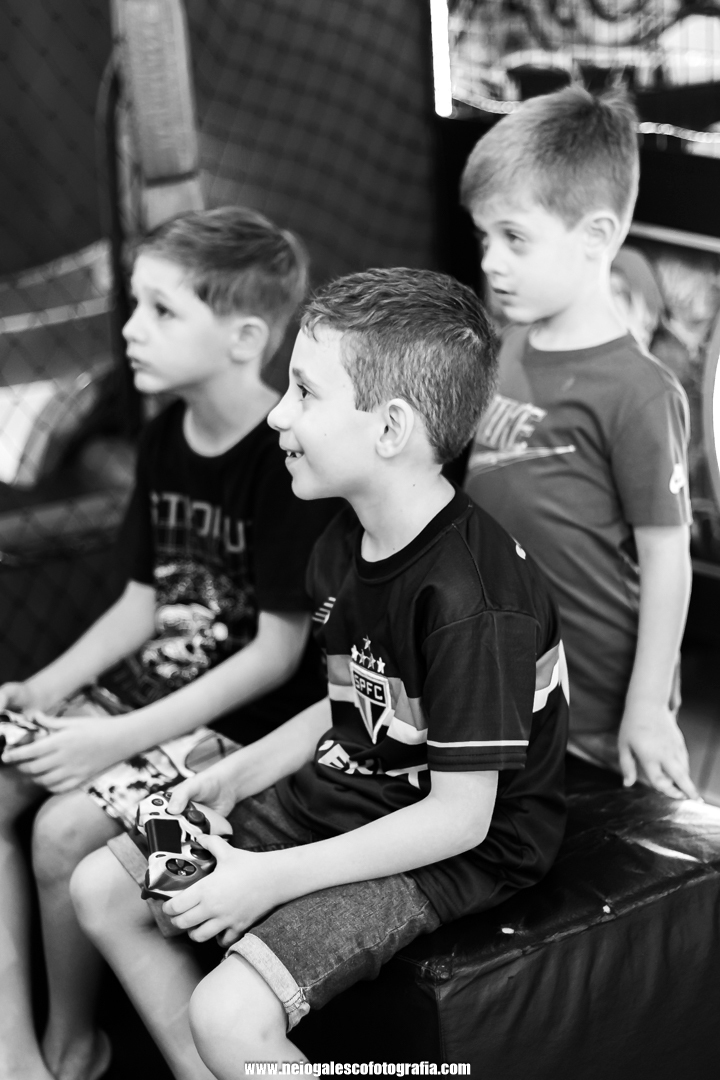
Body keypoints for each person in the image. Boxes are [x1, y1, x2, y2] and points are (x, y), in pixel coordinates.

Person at [70, 267, 569, 1079]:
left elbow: (462, 820)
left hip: (455, 847)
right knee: (103, 889)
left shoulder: (471, 601)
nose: (278, 414)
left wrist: (267, 877)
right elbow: (352, 707)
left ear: (390, 428)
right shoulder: (340, 542)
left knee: (228, 1017)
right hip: (359, 784)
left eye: (304, 391)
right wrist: (234, 776)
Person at [0, 206, 336, 1080]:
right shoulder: (160, 440)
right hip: (144, 696)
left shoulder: (285, 461)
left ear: (243, 337)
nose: (130, 329)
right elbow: (141, 603)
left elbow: (276, 655)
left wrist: (112, 739)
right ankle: (16, 1054)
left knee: (62, 832)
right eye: (135, 304)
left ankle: (76, 1046)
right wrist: (44, 687)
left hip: (233, 723)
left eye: (161, 310)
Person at [460, 85, 697, 799]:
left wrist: (647, 707)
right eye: (485, 238)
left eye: (515, 238)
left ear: (595, 236)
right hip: (505, 685)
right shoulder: (506, 346)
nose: (492, 260)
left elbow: (667, 560)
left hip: (596, 709)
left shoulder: (640, 391)